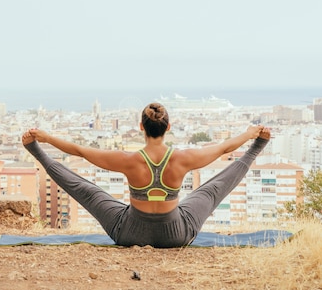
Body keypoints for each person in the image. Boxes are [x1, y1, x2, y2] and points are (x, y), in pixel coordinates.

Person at [21, 102, 271, 248]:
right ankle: (257, 150)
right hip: (177, 234)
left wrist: (44, 138)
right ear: (168, 128)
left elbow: (80, 151)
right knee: (211, 190)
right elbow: (224, 148)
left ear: (141, 127)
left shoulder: (128, 160)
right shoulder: (183, 158)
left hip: (128, 233)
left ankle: (36, 153)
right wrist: (251, 135)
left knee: (88, 191)